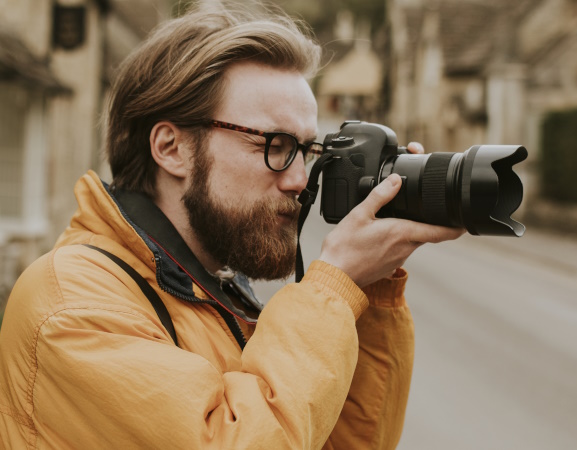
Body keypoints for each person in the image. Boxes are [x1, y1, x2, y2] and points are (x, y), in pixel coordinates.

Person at [0, 7, 463, 449]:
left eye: (307, 150)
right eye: (274, 145)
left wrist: (372, 288)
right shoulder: (72, 304)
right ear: (171, 147)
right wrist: (333, 287)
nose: (300, 180)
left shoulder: (209, 290)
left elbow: (341, 443)